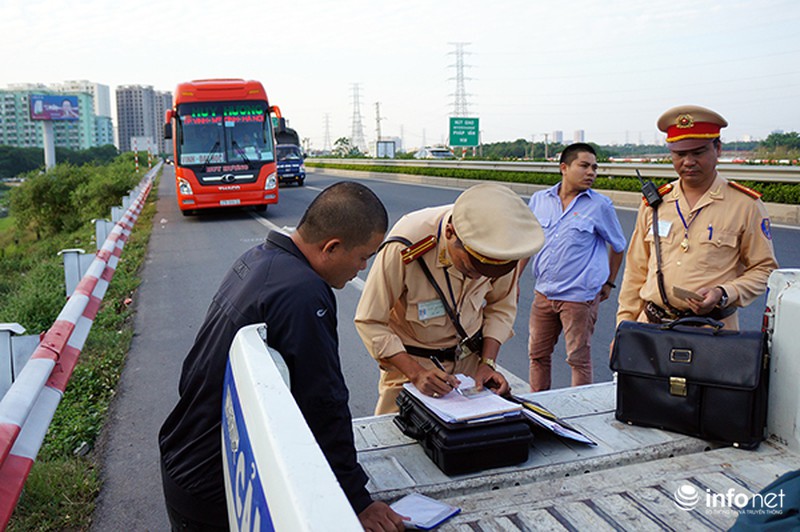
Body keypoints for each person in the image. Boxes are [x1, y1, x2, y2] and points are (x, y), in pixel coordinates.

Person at [159, 182, 405, 531]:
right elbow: (324, 400)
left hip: (184, 450)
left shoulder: (258, 259)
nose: (363, 268)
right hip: (215, 482)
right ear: (331, 247)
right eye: (364, 256)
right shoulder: (303, 293)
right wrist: (357, 500)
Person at [354, 183, 544, 415]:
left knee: (469, 441)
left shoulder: (502, 248)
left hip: (470, 369)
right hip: (410, 369)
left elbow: (501, 306)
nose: (479, 277)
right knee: (397, 443)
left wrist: (487, 364)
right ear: (450, 233)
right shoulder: (407, 244)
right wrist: (416, 373)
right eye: (470, 269)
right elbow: (370, 320)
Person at [616, 105, 778, 329]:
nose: (688, 162)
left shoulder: (745, 205)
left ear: (718, 149)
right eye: (680, 154)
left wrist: (724, 293)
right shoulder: (655, 203)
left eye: (698, 152)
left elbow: (764, 269)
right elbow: (635, 272)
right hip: (652, 329)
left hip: (712, 332)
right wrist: (623, 328)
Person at [519, 143, 627, 392]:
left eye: (595, 167)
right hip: (543, 294)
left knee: (578, 360)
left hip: (579, 298)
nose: (591, 172)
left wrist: (609, 282)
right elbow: (527, 242)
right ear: (564, 168)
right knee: (537, 356)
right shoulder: (540, 200)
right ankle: (539, 407)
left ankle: (578, 413)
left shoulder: (600, 206)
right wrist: (513, 281)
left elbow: (618, 246)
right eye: (584, 166)